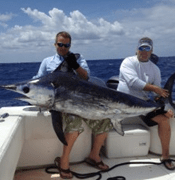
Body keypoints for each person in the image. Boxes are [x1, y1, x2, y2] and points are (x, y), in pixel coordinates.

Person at [33, 31, 113, 179]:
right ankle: (64, 161)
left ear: (70, 45)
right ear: (55, 44)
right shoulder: (47, 61)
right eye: (60, 44)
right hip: (61, 104)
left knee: (105, 121)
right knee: (74, 125)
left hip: (83, 102)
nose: (63, 48)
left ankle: (94, 156)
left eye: (66, 45)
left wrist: (75, 65)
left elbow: (86, 77)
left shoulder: (78, 58)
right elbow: (39, 80)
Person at [117, 37, 175, 171]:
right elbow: (133, 82)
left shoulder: (155, 69)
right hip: (122, 102)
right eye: (141, 48)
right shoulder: (128, 61)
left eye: (147, 48)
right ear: (136, 50)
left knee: (165, 120)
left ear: (151, 51)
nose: (144, 51)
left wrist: (164, 105)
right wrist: (155, 89)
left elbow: (157, 94)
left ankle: (165, 156)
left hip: (142, 104)